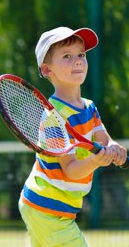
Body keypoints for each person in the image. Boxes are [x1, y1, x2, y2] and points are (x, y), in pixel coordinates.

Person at [18, 26, 127, 247]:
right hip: (45, 207)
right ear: (47, 70)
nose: (78, 61)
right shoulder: (53, 119)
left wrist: (115, 148)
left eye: (81, 55)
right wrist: (95, 160)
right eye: (67, 56)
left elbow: (104, 138)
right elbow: (71, 170)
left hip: (59, 208)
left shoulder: (89, 107)